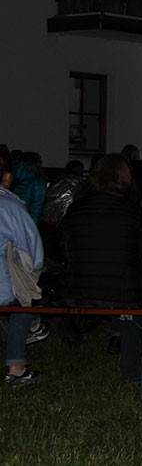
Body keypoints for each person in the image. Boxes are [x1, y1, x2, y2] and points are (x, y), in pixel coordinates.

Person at [59, 154, 142, 384]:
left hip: (80, 287)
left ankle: (72, 340)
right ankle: (131, 372)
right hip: (123, 291)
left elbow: (64, 247)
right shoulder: (132, 212)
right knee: (134, 299)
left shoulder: (76, 209)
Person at [1, 146, 47, 386]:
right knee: (23, 295)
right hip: (2, 288)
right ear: (7, 178)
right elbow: (34, 255)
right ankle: (16, 368)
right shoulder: (10, 208)